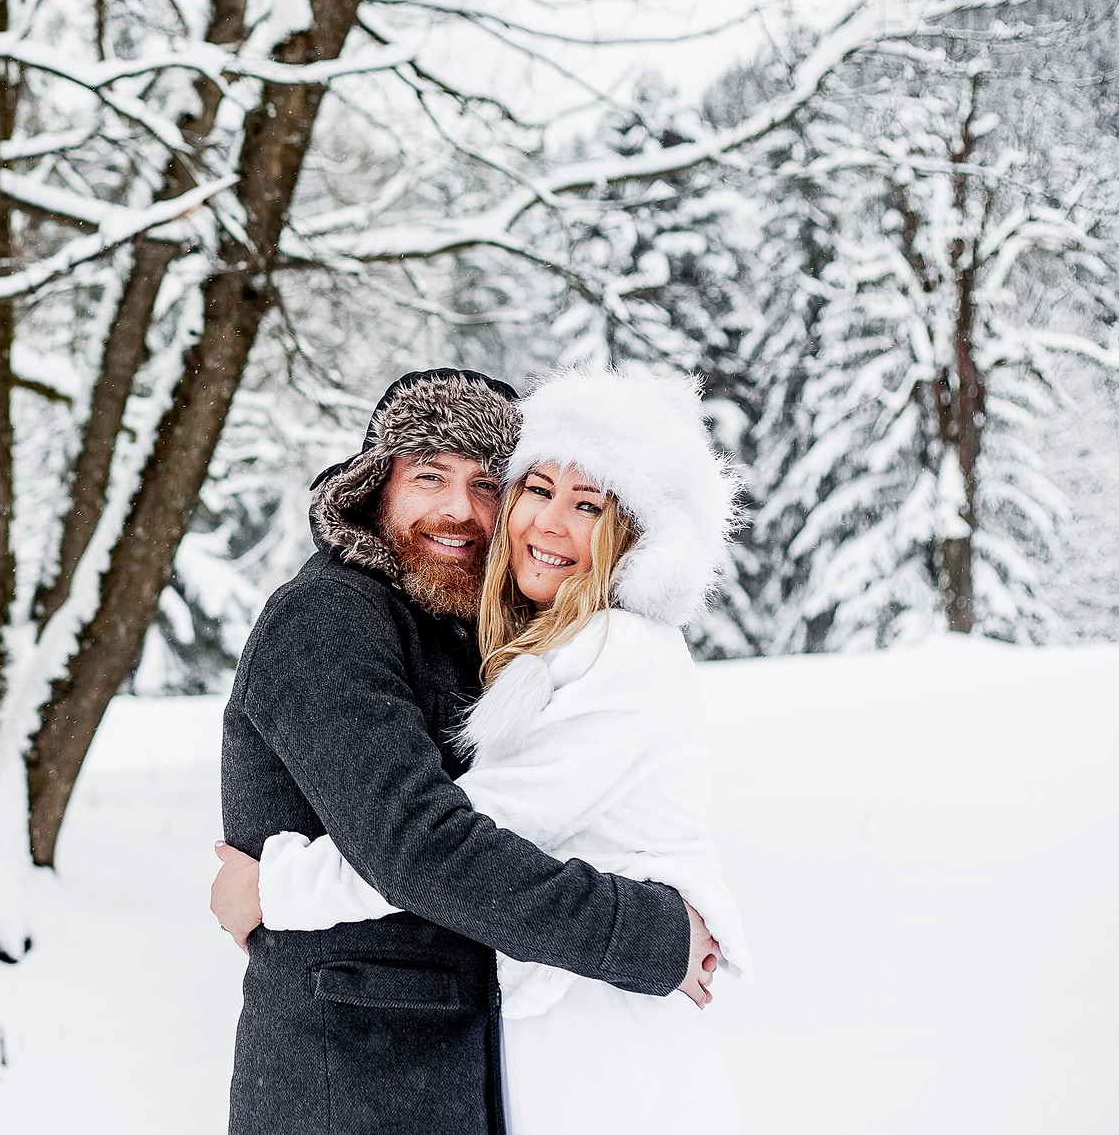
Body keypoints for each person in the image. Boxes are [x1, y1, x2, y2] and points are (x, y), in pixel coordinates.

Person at [215, 369, 750, 1135]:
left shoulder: (511, 637)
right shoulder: (330, 618)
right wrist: (647, 935)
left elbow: (480, 837)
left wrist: (272, 888)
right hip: (352, 1076)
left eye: (486, 482)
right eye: (429, 474)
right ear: (376, 487)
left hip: (495, 1061)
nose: (459, 510)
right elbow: (420, 846)